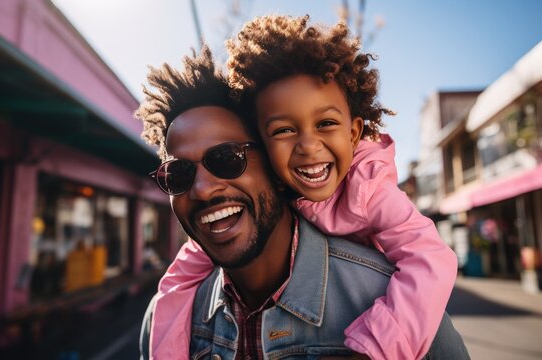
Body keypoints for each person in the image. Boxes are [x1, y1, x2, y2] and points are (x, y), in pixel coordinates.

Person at [144, 15, 459, 360]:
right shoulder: (168, 315)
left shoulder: (392, 289)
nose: (203, 189)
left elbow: (429, 256)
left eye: (226, 159)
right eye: (178, 174)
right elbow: (178, 280)